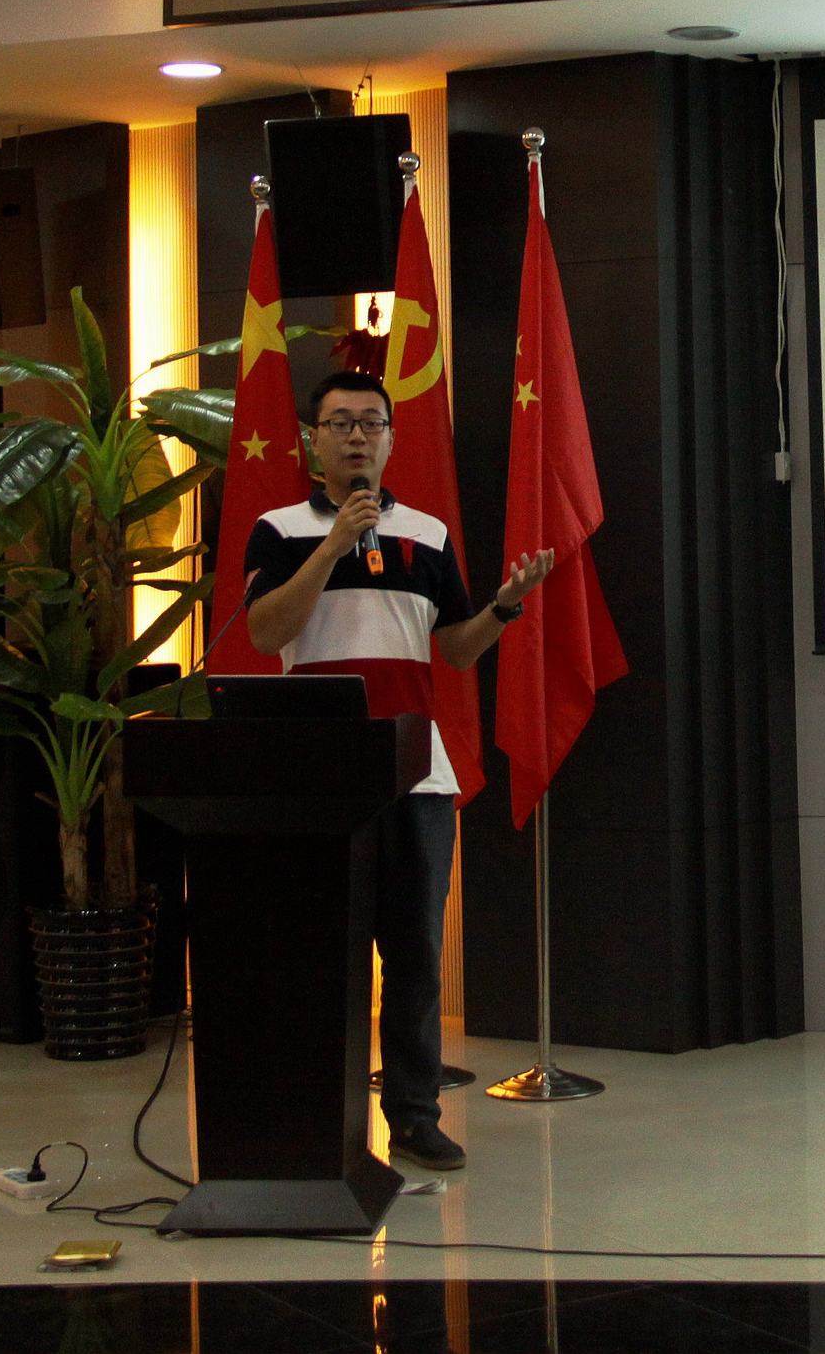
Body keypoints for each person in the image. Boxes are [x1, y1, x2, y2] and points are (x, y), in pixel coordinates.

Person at [243, 368, 552, 1173]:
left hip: (416, 776)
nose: (356, 436)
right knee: (323, 954)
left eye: (370, 423)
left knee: (414, 955)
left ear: (390, 438)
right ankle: (320, 1115)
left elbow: (454, 651)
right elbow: (265, 630)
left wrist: (503, 607)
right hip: (321, 780)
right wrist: (334, 545)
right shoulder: (278, 530)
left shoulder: (428, 535)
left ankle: (413, 1115)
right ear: (312, 440)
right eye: (340, 422)